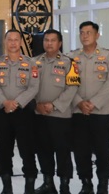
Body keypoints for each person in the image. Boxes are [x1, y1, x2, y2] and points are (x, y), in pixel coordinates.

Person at [68, 21, 109, 194]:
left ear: (97, 35)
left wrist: (94, 103)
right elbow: (69, 83)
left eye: (88, 32)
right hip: (78, 112)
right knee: (81, 151)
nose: (85, 36)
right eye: (82, 32)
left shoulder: (108, 56)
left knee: (103, 151)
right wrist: (79, 102)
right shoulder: (72, 57)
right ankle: (86, 183)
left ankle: (103, 184)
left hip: (101, 113)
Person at [0, 29, 39, 194]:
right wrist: (4, 102)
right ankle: (7, 187)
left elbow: (34, 87)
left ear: (20, 42)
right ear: (5, 42)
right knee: (3, 151)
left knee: (27, 150)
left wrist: (16, 103)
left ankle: (29, 187)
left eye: (16, 39)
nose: (12, 43)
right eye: (9, 39)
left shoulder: (31, 63)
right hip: (3, 112)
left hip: (23, 112)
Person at [33, 29, 79, 194]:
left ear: (59, 43)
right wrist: (36, 105)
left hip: (60, 115)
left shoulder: (70, 63)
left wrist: (54, 105)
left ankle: (64, 185)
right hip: (39, 115)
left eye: (53, 40)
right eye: (46, 40)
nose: (49, 43)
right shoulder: (34, 62)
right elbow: (28, 87)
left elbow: (73, 87)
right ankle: (48, 183)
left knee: (63, 151)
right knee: (43, 150)